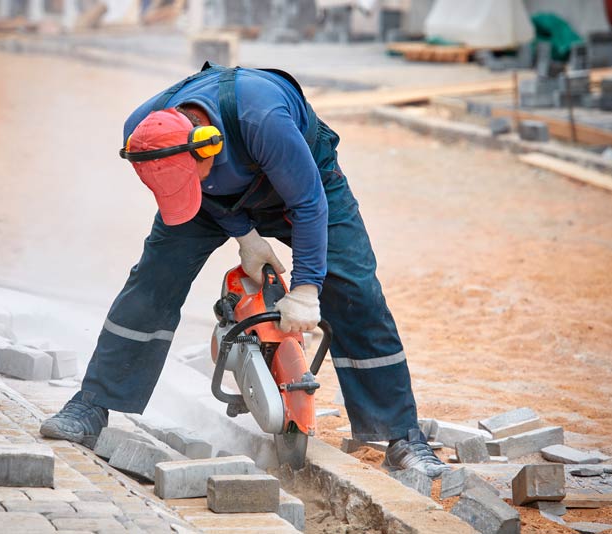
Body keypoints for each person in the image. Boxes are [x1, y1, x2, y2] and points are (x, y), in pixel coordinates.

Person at [39, 63, 447, 477]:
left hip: (305, 181)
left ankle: (402, 436)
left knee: (355, 289)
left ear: (207, 147)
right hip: (211, 195)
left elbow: (309, 204)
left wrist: (306, 289)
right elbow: (193, 193)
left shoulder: (262, 119)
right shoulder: (144, 132)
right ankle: (91, 404)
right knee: (152, 280)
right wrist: (244, 234)